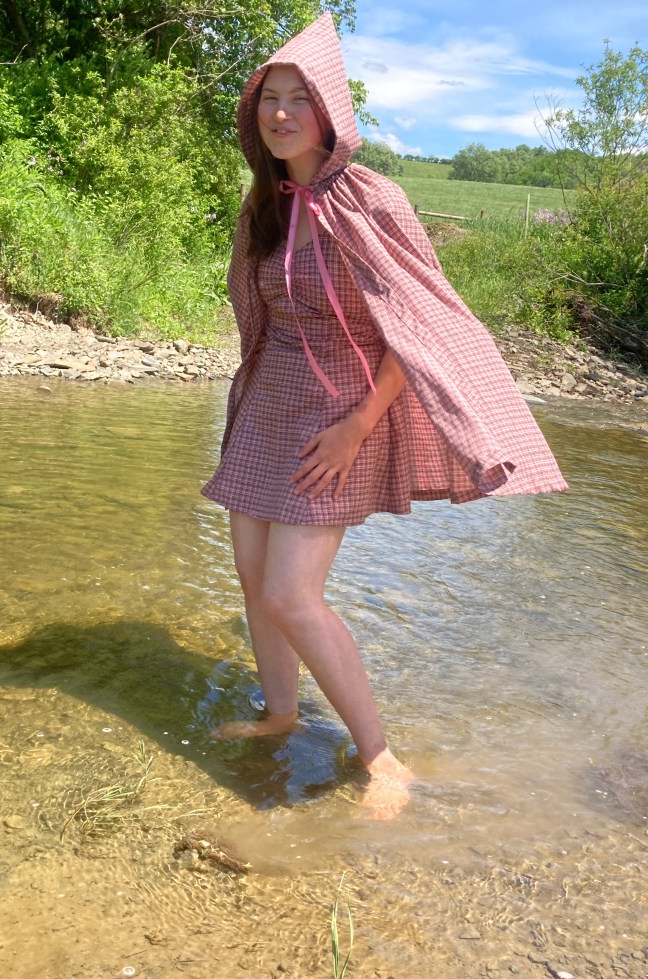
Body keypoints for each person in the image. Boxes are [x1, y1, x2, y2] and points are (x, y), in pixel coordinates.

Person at [202, 14, 567, 817]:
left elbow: (418, 326)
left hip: (340, 415)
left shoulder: (375, 199)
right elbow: (258, 317)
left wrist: (359, 427)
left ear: (331, 110)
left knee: (293, 593)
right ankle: (281, 714)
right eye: (270, 98)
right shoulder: (264, 205)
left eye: (299, 98)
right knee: (255, 581)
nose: (281, 113)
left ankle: (382, 758)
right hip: (266, 407)